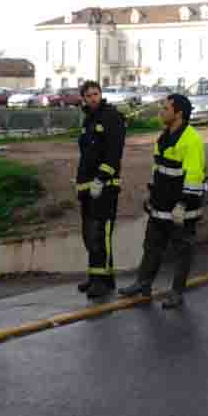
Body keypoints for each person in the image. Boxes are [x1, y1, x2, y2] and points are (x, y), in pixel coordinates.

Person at [119, 94, 207, 310]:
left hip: (180, 208)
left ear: (178, 114)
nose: (161, 111)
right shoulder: (164, 137)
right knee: (151, 247)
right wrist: (151, 195)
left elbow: (194, 176)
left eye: (165, 108)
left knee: (182, 251)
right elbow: (158, 169)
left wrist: (183, 204)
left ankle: (177, 293)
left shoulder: (191, 140)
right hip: (160, 204)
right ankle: (143, 284)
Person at [75, 80, 126, 299]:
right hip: (88, 187)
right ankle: (98, 276)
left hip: (104, 186)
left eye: (96, 94)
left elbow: (114, 152)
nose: (93, 98)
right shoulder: (88, 120)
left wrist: (102, 177)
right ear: (83, 98)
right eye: (89, 95)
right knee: (89, 234)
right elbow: (87, 156)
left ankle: (102, 281)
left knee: (100, 233)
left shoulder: (111, 117)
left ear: (101, 94)